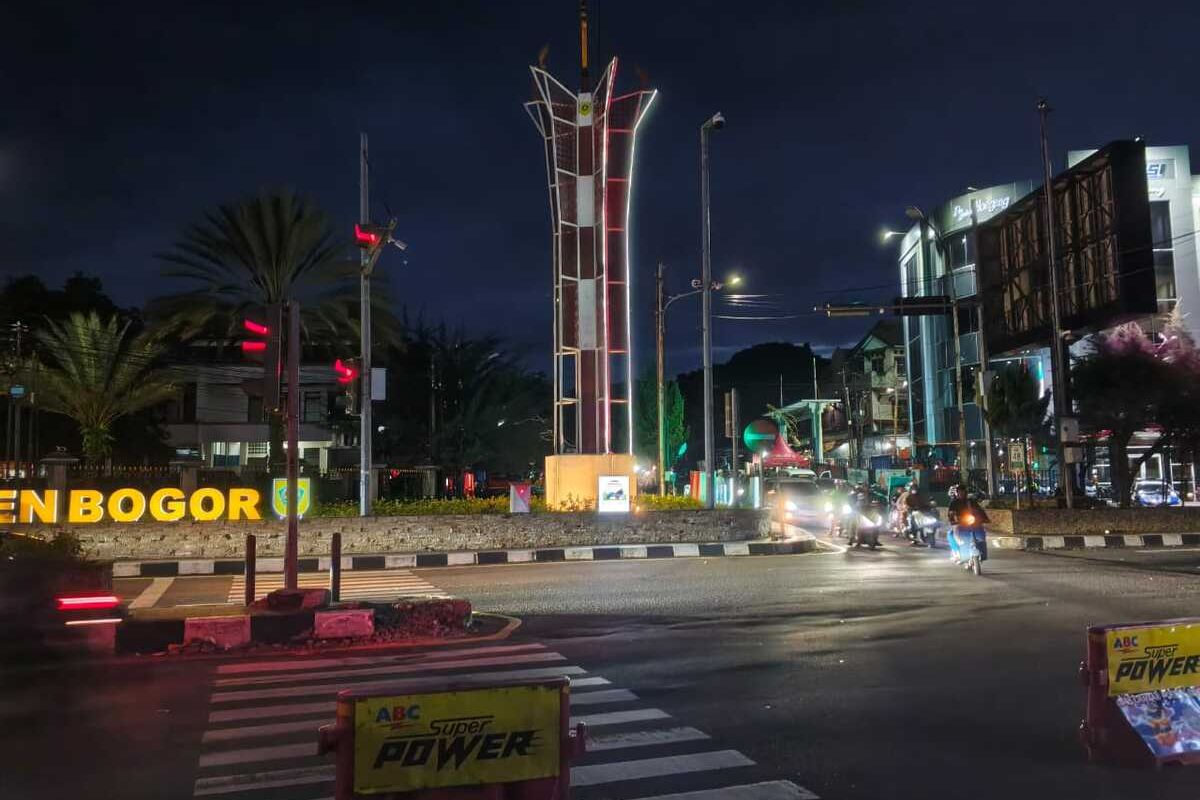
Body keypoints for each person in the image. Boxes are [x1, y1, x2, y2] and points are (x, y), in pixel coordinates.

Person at [947, 483, 989, 565]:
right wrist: (953, 520)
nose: (961, 493)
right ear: (957, 493)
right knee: (951, 534)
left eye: (963, 491)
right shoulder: (954, 503)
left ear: (965, 492)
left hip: (972, 523)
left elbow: (979, 510)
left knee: (981, 531)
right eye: (959, 492)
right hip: (960, 523)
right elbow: (951, 513)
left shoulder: (971, 502)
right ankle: (957, 554)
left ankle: (982, 552)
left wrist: (984, 518)